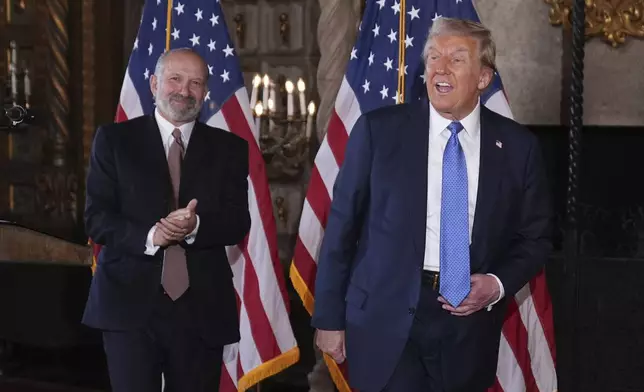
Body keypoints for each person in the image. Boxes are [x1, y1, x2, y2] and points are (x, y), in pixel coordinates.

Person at [312, 18, 552, 392]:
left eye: (456, 59)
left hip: (467, 327)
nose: (440, 68)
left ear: (484, 78)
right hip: (384, 316)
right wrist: (328, 318)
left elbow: (536, 237)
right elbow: (342, 227)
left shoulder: (518, 147)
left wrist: (497, 283)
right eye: (433, 58)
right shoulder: (378, 131)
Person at [83, 48, 250, 392]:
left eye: (195, 83)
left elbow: (237, 222)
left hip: (201, 309)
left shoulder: (230, 148)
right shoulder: (114, 141)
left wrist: (195, 227)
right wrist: (151, 236)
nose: (184, 91)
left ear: (206, 93)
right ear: (155, 83)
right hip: (128, 307)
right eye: (175, 79)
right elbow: (96, 218)